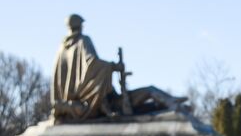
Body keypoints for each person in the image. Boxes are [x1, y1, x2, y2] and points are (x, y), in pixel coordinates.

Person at [51, 14, 190, 122]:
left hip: (95, 103)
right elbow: (92, 63)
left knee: (148, 102)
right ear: (80, 25)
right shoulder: (83, 41)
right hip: (111, 104)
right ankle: (172, 103)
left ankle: (172, 104)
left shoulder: (61, 48)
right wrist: (114, 67)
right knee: (150, 90)